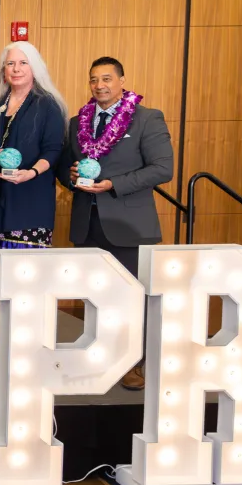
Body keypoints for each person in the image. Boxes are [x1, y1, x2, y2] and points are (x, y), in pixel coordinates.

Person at [60, 57, 173, 391]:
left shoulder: (147, 118)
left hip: (128, 223)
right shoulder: (76, 122)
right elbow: (74, 167)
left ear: (123, 80)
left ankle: (135, 363)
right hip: (87, 222)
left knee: (132, 298)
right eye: (93, 80)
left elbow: (162, 169)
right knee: (95, 296)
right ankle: (100, 358)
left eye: (107, 78)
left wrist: (113, 184)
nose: (100, 86)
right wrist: (72, 177)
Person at [0, 40, 66, 364]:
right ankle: (12, 346)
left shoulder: (48, 105)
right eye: (10, 64)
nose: (15, 69)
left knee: (29, 281)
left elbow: (53, 151)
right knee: (6, 282)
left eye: (22, 63)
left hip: (31, 200)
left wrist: (31, 172)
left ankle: (32, 347)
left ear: (35, 68)